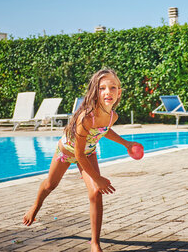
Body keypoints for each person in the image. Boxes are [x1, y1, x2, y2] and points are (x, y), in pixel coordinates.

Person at [22, 68, 142, 252]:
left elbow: (104, 129)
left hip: (89, 152)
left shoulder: (113, 116)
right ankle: (36, 206)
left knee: (95, 193)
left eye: (113, 87)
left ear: (119, 92)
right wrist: (99, 179)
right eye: (102, 88)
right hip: (67, 152)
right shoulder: (86, 116)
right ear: (95, 91)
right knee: (50, 185)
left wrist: (125, 143)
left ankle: (95, 243)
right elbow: (78, 154)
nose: (108, 92)